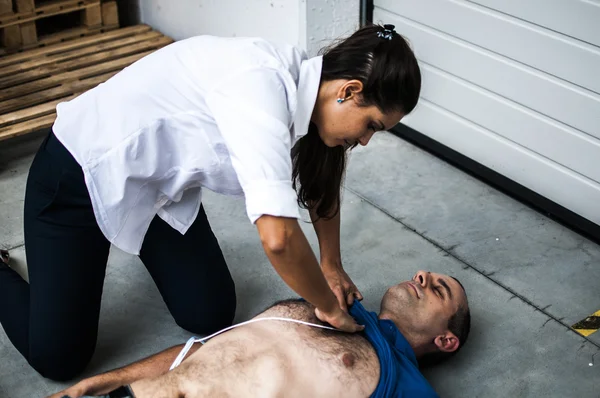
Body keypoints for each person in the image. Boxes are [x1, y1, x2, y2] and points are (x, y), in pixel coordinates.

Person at [0, 23, 421, 381]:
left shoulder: (315, 107)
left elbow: (320, 187)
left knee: (211, 313)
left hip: (157, 190)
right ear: (350, 90)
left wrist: (331, 266)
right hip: (81, 175)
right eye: (372, 126)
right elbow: (277, 238)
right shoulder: (259, 87)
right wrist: (329, 308)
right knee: (59, 357)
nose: (365, 141)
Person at [49, 270, 470, 398]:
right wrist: (94, 384)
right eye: (425, 273)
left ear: (445, 339)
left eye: (439, 290)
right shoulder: (333, 305)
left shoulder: (409, 384)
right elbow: (200, 350)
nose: (422, 276)